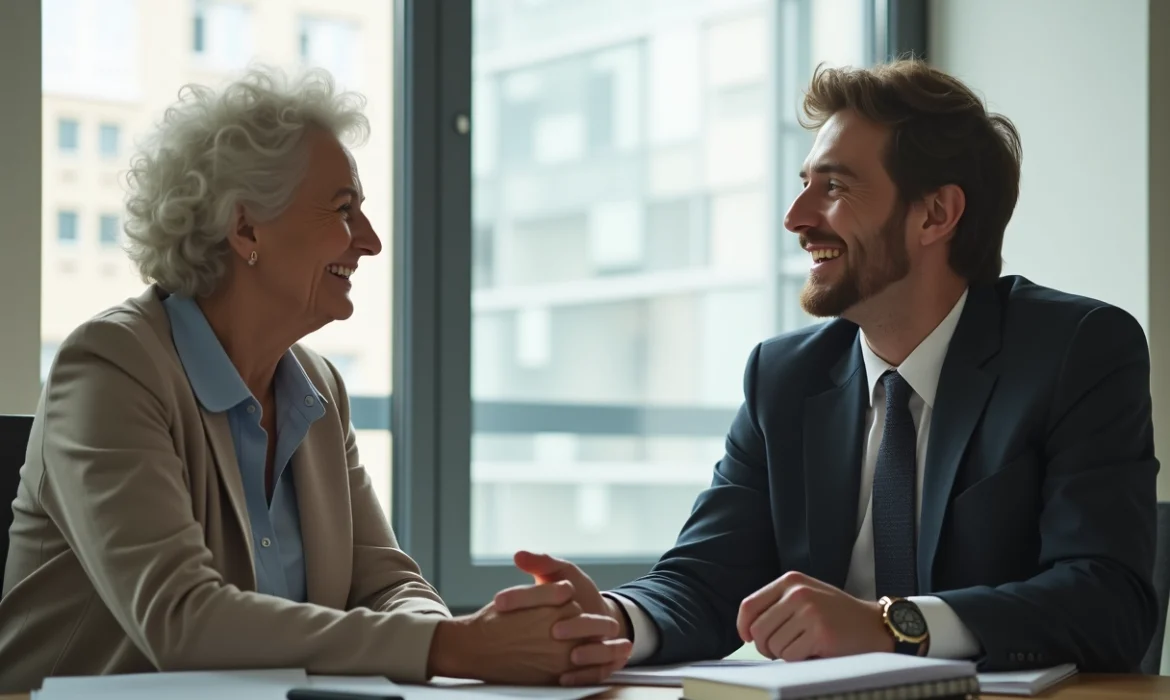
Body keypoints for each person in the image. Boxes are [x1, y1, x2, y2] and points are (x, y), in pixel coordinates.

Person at [494, 58, 1159, 679]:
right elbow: (707, 577)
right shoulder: (784, 377)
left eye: (833, 187)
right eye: (804, 184)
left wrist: (891, 626)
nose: (796, 217)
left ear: (936, 213)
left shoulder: (1077, 350)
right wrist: (612, 621)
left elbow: (1108, 600)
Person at [0, 67, 630, 693]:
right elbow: (180, 620)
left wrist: (474, 641)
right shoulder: (111, 366)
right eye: (344, 209)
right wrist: (456, 646)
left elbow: (390, 586)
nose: (373, 242)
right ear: (245, 228)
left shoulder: (318, 388)